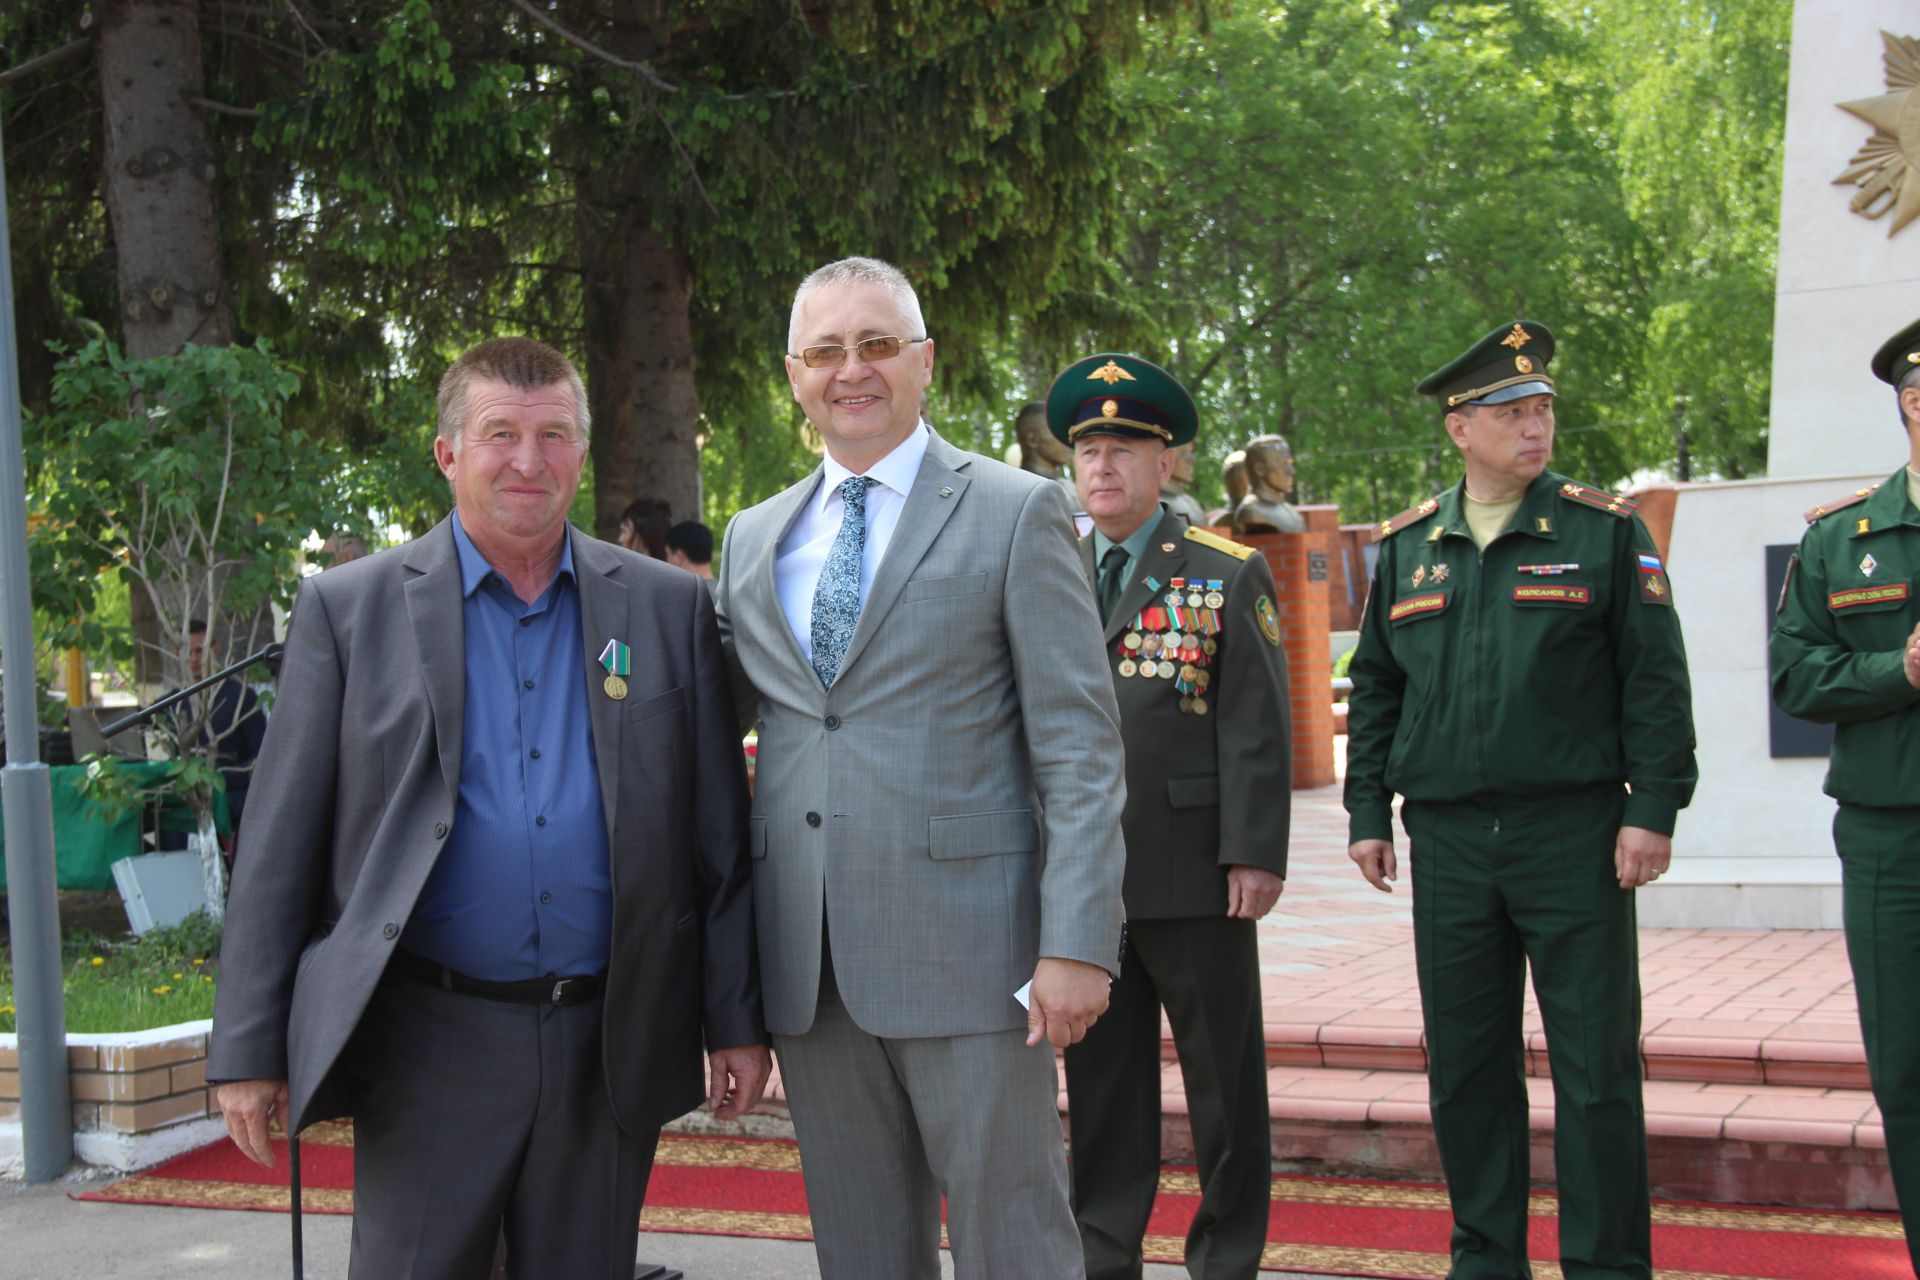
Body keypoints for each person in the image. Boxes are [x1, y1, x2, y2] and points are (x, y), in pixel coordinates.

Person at [207, 337, 768, 1279]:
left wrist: (737, 1021)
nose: (528, 460)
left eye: (554, 436)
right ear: (448, 453)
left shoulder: (667, 611)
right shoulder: (351, 611)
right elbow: (278, 844)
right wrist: (247, 1047)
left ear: (581, 455)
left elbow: (717, 837)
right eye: (500, 433)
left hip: (608, 1039)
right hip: (430, 1042)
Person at [714, 256, 1126, 1280]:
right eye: (825, 351)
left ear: (925, 361)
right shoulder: (752, 537)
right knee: (860, 1252)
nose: (851, 370)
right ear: (794, 375)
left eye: (877, 344)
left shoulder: (1016, 509)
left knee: (1014, 1241)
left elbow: (1079, 745)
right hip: (809, 967)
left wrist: (1079, 939)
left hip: (977, 960)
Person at [1343, 321, 1696, 1280]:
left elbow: (1655, 681)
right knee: (1466, 1069)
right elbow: (1377, 686)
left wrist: (1652, 806)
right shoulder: (1410, 547)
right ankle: (1486, 1259)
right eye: (1510, 411)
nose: (1533, 426)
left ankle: (1608, 1265)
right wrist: (1367, 812)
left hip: (1573, 833)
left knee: (1594, 1074)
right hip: (1451, 841)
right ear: (1461, 428)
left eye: (1542, 409)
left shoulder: (1602, 530)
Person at [1051, 353, 1291, 1280]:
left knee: (1224, 1086)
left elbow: (1257, 724)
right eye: (1090, 450)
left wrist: (1255, 853)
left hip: (1197, 871)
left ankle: (1225, 1256)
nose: (1103, 467)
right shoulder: (1050, 566)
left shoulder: (1221, 571)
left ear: (1166, 464)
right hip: (1086, 879)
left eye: (1124, 449)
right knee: (1104, 1089)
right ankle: (1103, 1254)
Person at [1770, 314, 1920, 1275]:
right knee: (1906, 1069)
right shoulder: (1841, 539)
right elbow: (1794, 677)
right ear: (1910, 404)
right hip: (1889, 838)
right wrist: (1898, 671)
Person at [168, 618, 267, 836]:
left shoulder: (241, 698)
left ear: (216, 650)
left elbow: (262, 758)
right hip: (188, 796)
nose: (195, 659)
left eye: (200, 651)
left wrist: (218, 777)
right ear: (177, 655)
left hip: (230, 795)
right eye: (188, 653)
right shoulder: (173, 702)